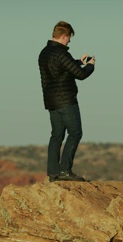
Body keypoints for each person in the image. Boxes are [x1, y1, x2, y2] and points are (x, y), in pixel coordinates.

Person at [38, 21, 96, 182]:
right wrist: (90, 66)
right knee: (75, 133)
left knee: (56, 135)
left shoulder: (44, 52)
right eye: (69, 37)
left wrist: (78, 61)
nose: (69, 41)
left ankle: (53, 173)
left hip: (51, 102)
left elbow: (60, 69)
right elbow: (81, 75)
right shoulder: (61, 53)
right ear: (64, 36)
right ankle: (64, 170)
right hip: (66, 100)